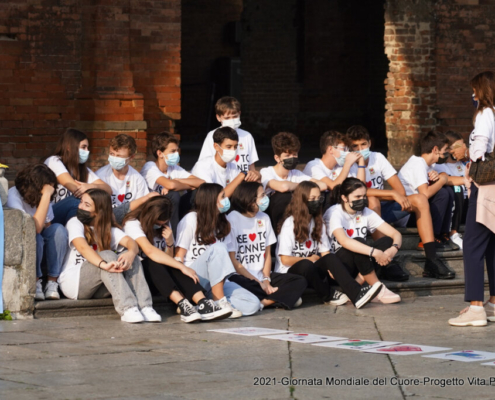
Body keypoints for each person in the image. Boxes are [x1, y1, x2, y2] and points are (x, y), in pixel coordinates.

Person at [58, 188, 161, 323]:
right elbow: (83, 248)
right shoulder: (75, 222)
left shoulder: (107, 229)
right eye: (81, 202)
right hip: (75, 284)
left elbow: (131, 242)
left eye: (86, 205)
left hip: (99, 286)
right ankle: (127, 308)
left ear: (98, 211)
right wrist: (104, 264)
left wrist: (131, 254)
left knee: (129, 256)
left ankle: (145, 306)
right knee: (107, 254)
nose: (80, 207)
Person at [122, 196, 232, 322]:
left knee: (172, 263)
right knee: (154, 262)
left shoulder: (164, 226)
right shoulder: (132, 223)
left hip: (161, 280)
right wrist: (182, 267)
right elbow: (150, 251)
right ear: (149, 217)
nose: (159, 226)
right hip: (139, 278)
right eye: (157, 224)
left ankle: (203, 303)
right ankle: (183, 305)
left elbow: (168, 260)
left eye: (163, 223)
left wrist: (169, 244)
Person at [276, 181, 383, 308]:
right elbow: (285, 260)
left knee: (330, 258)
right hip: (291, 273)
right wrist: (309, 259)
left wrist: (332, 268)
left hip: (312, 270)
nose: (317, 202)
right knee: (306, 265)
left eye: (319, 198)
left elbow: (325, 253)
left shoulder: (318, 222)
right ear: (302, 200)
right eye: (312, 199)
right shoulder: (290, 224)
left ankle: (356, 294)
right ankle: (328, 295)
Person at [449, 71, 495, 327]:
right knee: (492, 245)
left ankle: (476, 306)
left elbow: (480, 149)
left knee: (473, 244)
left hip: (485, 185)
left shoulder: (485, 113)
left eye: (475, 90)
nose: (472, 95)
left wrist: (469, 153)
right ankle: (494, 302)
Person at [175, 183, 262, 318]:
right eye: (222, 196)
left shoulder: (223, 222)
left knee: (253, 303)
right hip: (195, 278)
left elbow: (229, 259)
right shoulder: (191, 219)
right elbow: (179, 257)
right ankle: (219, 303)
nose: (226, 200)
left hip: (218, 282)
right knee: (218, 247)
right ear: (210, 199)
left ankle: (202, 306)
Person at [226, 181, 307, 309]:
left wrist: (266, 280)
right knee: (240, 284)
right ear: (250, 199)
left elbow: (267, 254)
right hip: (242, 276)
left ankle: (264, 303)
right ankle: (281, 298)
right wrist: (258, 283)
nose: (266, 198)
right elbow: (233, 261)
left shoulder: (264, 218)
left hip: (263, 275)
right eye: (262, 195)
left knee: (299, 281)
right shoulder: (232, 219)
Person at [324, 178, 402, 304]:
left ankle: (356, 284)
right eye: (357, 196)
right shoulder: (334, 212)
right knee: (358, 242)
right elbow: (344, 241)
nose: (362, 199)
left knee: (386, 241)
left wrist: (393, 249)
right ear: (344, 198)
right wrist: (375, 252)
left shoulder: (366, 212)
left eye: (364, 196)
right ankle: (378, 288)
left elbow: (395, 234)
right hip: (340, 268)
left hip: (360, 264)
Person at [398, 131, 458, 279]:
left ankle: (441, 235)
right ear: (435, 149)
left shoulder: (428, 165)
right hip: (407, 215)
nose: (446, 154)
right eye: (445, 151)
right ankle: (433, 237)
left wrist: (468, 180)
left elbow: (449, 179)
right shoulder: (418, 164)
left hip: (417, 211)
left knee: (448, 191)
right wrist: (442, 180)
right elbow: (424, 194)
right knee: (443, 192)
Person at [7, 164, 68, 301]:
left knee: (58, 229)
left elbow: (48, 225)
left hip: (39, 240)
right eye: (47, 189)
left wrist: (45, 198)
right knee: (37, 237)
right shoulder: (13, 195)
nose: (50, 192)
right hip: (22, 243)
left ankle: (52, 282)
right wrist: (45, 196)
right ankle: (36, 281)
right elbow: (33, 229)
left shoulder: (45, 197)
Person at [140, 131, 204, 237]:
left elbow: (201, 183)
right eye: (173, 151)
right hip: (153, 210)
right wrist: (176, 184)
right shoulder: (150, 166)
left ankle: (193, 231)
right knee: (173, 195)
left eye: (177, 150)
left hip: (171, 210)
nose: (177, 154)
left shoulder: (174, 168)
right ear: (160, 153)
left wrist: (178, 180)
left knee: (197, 193)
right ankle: (175, 236)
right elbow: (171, 185)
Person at [261, 132, 327, 231]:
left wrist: (297, 186)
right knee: (283, 196)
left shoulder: (296, 174)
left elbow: (322, 185)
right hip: (272, 218)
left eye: (294, 154)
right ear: (277, 158)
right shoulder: (266, 172)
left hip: (293, 216)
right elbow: (283, 187)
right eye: (287, 156)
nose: (292, 158)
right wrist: (303, 186)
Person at [44, 128, 112, 225]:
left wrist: (91, 186)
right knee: (78, 202)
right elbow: (75, 189)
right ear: (69, 147)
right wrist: (89, 190)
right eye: (83, 147)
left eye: (87, 148)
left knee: (82, 207)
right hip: (50, 215)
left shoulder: (82, 169)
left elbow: (108, 190)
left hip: (70, 213)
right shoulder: (54, 161)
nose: (87, 151)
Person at [303, 130, 365, 212]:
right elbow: (333, 187)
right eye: (344, 149)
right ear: (330, 149)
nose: (347, 152)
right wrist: (347, 164)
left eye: (348, 149)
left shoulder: (340, 166)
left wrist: (361, 163)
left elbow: (360, 187)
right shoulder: (313, 166)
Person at [192, 127, 260, 198]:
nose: (233, 150)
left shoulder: (233, 166)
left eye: (235, 147)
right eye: (228, 147)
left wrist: (256, 175)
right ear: (216, 146)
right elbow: (217, 199)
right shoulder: (203, 167)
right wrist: (241, 176)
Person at [198, 96, 259, 173]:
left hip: (244, 179)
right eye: (227, 118)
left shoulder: (247, 136)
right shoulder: (212, 135)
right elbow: (205, 163)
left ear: (239, 114)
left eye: (235, 117)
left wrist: (253, 174)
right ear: (218, 117)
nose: (231, 120)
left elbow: (251, 165)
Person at [432, 131, 469, 249]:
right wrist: (467, 180)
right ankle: (453, 233)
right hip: (455, 207)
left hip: (468, 205)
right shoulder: (440, 165)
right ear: (449, 149)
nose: (462, 149)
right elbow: (447, 179)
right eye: (459, 146)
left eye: (463, 145)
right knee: (457, 188)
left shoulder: (464, 163)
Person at [96, 134, 149, 207]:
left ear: (131, 157)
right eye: (112, 154)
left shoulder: (138, 180)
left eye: (119, 156)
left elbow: (142, 206)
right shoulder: (99, 176)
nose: (114, 158)